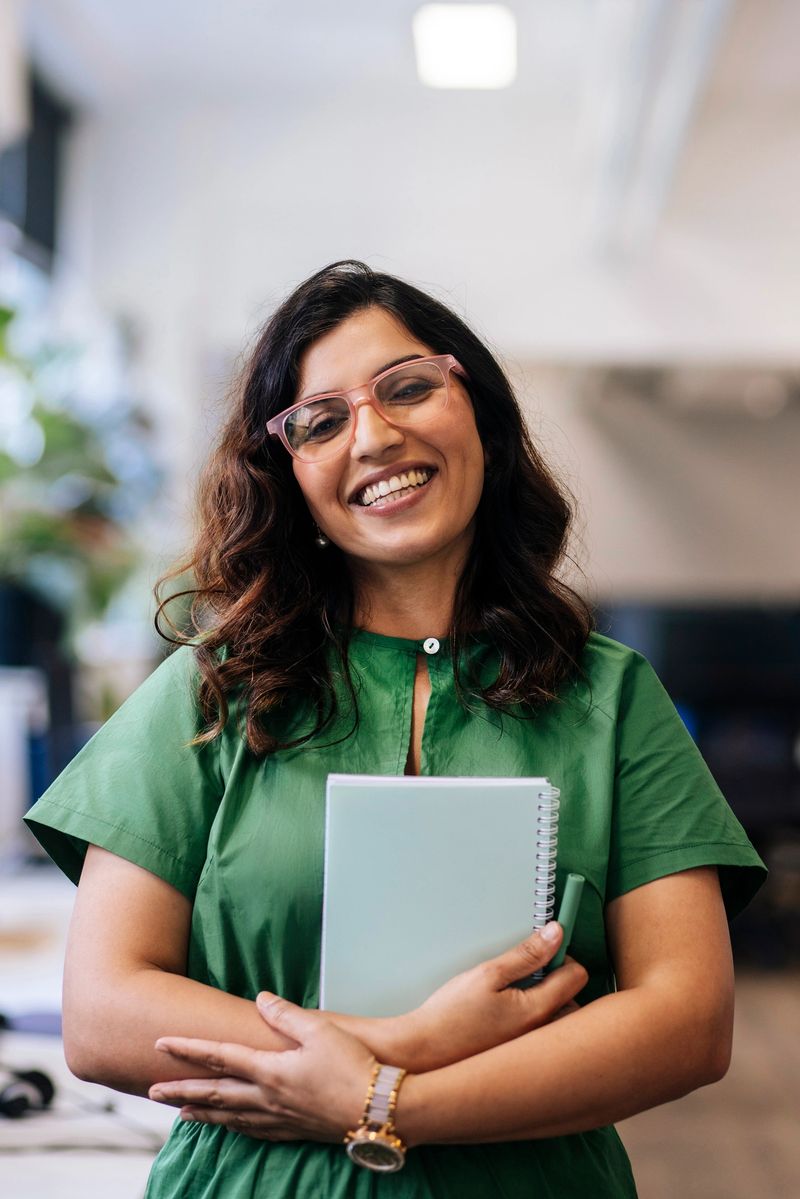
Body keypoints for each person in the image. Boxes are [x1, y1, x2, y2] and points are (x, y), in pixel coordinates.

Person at [25, 260, 765, 1198]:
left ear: (480, 415)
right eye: (320, 420)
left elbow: (688, 1021)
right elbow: (103, 1014)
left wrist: (382, 1100)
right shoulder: (210, 693)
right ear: (287, 474)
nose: (372, 435)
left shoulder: (612, 699)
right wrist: (413, 1046)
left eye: (407, 386)